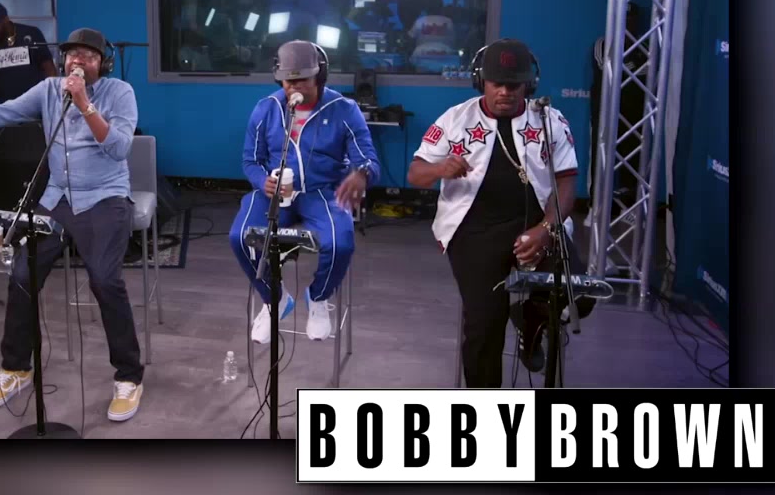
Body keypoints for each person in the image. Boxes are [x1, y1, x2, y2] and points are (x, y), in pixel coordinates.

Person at [0, 27, 146, 422]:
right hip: (57, 197)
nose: (78, 61)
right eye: (72, 55)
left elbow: (119, 147)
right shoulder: (49, 90)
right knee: (22, 274)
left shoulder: (120, 93)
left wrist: (84, 104)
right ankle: (16, 367)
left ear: (103, 64)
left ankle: (129, 376)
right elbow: (5, 111)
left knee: (105, 280)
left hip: (105, 197)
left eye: (88, 56)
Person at [406, 38, 582, 388]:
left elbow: (566, 181)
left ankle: (530, 322)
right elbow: (415, 173)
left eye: (514, 85)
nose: (505, 92)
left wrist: (546, 228)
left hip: (536, 223)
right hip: (474, 231)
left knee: (579, 291)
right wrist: (440, 169)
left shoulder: (549, 120)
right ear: (480, 81)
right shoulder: (456, 119)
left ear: (529, 84)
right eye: (496, 83)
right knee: (485, 325)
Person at [229, 40, 380, 343]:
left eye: (302, 80)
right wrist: (262, 181)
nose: (294, 86)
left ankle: (318, 297)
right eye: (288, 81)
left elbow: (369, 160)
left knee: (340, 243)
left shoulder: (344, 109)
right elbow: (250, 161)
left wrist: (361, 175)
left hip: (323, 191)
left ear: (320, 76)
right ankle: (274, 298)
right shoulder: (266, 109)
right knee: (240, 236)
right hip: (274, 193)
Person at [0, 2, 58, 105]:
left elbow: (48, 68)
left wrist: (53, 96)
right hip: (5, 105)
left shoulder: (31, 34)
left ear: (5, 20)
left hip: (35, 102)